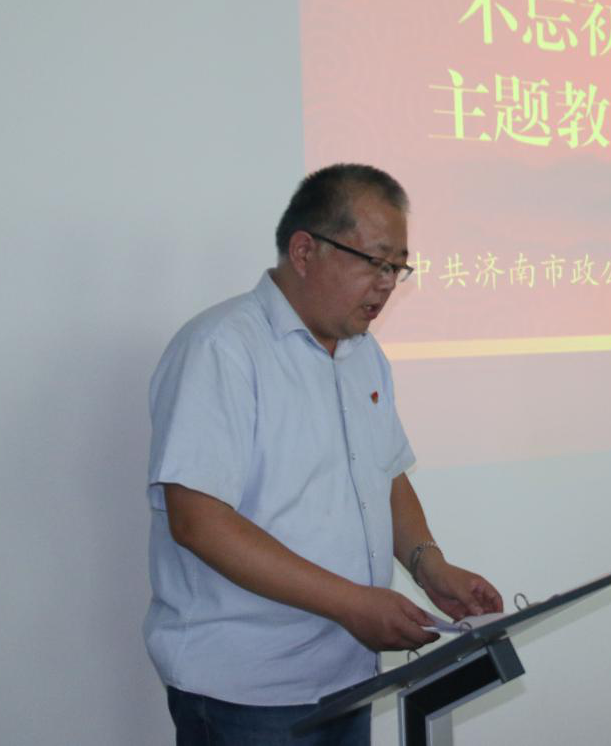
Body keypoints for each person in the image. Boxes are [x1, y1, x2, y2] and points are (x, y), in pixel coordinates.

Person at [143, 164, 502, 745]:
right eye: (375, 262)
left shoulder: (362, 354)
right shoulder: (222, 348)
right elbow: (197, 522)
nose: (387, 284)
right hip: (246, 690)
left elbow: (385, 474)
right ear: (305, 251)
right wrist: (352, 603)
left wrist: (428, 565)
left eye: (398, 267)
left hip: (345, 675)